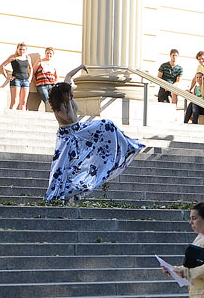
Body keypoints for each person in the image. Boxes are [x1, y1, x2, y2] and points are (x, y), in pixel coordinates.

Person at [45, 66, 146, 202]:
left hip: (79, 130)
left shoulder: (67, 95)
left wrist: (80, 67)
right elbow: (70, 118)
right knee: (66, 168)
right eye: (69, 93)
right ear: (63, 95)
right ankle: (66, 193)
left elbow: (68, 75)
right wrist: (68, 101)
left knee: (107, 125)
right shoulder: (59, 108)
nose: (72, 93)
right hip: (69, 137)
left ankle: (127, 145)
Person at [0, 42, 32, 110]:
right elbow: (2, 66)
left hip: (25, 80)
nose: (22, 51)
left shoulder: (27, 57)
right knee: (14, 102)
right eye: (20, 49)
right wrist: (7, 76)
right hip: (16, 80)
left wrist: (30, 78)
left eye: (23, 49)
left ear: (26, 50)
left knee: (23, 102)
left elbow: (31, 68)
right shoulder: (13, 57)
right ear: (17, 49)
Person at [31, 47, 57, 111]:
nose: (49, 55)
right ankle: (49, 112)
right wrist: (35, 82)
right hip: (42, 85)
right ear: (45, 53)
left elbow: (56, 75)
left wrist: (55, 82)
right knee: (47, 100)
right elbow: (33, 72)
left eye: (50, 53)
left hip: (51, 85)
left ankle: (50, 112)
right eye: (47, 53)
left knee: (52, 101)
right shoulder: (40, 61)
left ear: (53, 55)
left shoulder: (53, 64)